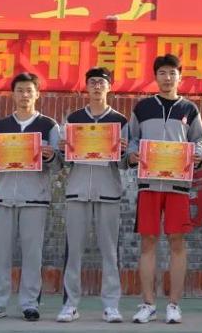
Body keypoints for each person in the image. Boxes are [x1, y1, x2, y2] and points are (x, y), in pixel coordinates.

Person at [126, 54, 202, 324]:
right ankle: (148, 303)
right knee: (148, 242)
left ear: (180, 77)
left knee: (177, 242)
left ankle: (174, 304)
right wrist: (132, 154)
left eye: (172, 73)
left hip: (178, 186)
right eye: (162, 72)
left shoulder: (189, 109)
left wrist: (198, 154)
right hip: (148, 184)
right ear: (155, 76)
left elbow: (199, 141)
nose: (167, 77)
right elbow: (132, 140)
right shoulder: (142, 107)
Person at [0, 72, 60, 322]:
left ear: (37, 94)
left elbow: (59, 164)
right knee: (1, 253)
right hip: (2, 197)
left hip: (35, 198)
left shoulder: (49, 126)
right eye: (20, 90)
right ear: (13, 95)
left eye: (29, 90)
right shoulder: (0, 127)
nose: (24, 95)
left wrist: (50, 156)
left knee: (32, 254)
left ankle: (30, 304)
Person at [56, 67, 129, 323]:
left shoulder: (120, 121)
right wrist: (63, 150)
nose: (97, 86)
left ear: (110, 87)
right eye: (93, 82)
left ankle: (111, 305)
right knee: (73, 251)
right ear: (86, 87)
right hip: (77, 192)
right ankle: (70, 304)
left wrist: (122, 151)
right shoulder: (74, 119)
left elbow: (124, 164)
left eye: (102, 82)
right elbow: (65, 161)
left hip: (108, 192)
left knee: (110, 251)